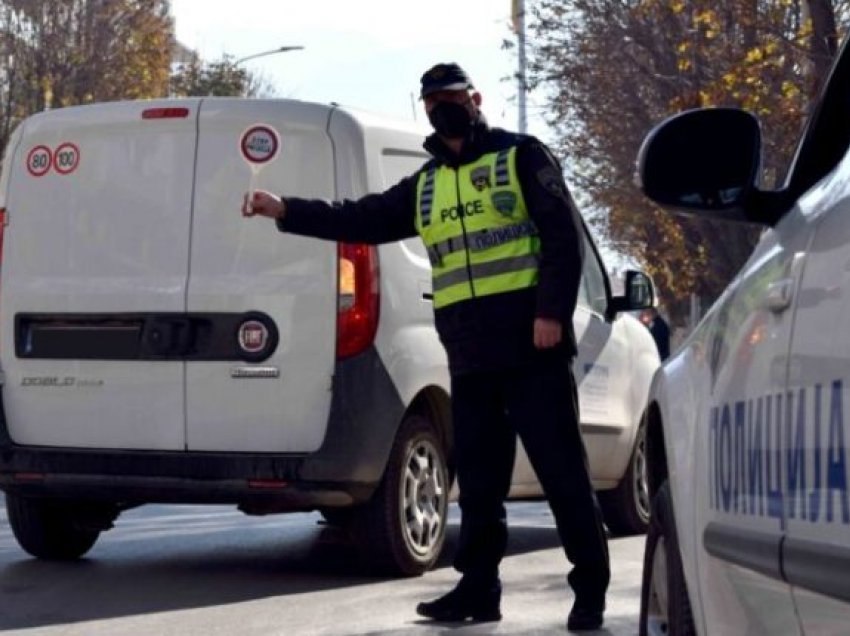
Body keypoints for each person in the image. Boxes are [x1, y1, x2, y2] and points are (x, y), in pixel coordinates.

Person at [242, 62, 609, 632]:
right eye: (432, 100)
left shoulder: (520, 157)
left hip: (532, 348)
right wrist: (285, 209)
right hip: (470, 355)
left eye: (451, 96)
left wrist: (550, 314)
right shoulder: (427, 183)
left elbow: (562, 238)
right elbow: (361, 218)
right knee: (481, 486)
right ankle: (478, 590)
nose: (443, 107)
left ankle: (589, 593)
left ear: (475, 98)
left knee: (563, 473)